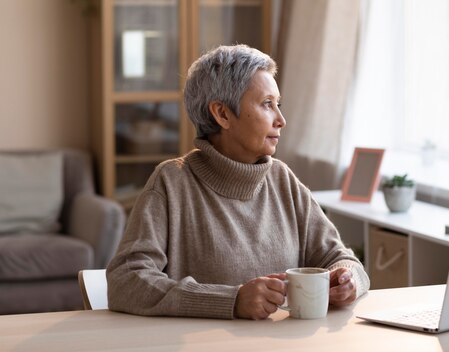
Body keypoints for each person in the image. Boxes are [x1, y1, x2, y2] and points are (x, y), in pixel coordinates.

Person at [106, 44, 370, 320]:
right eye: (267, 104)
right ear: (222, 114)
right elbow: (126, 281)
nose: (281, 119)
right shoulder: (171, 183)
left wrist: (347, 280)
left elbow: (342, 259)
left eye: (278, 105)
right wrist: (230, 301)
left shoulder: (282, 179)